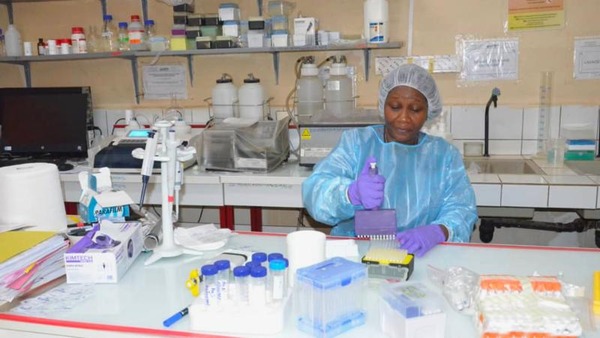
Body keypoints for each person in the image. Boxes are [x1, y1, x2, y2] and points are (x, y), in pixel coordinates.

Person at [302, 64, 478, 257]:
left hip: (420, 255)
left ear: (428, 112)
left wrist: (440, 230)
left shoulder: (444, 156)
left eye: (415, 109)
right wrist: (350, 194)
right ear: (383, 105)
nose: (403, 118)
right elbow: (315, 192)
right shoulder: (357, 143)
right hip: (357, 257)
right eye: (395, 107)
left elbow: (462, 208)